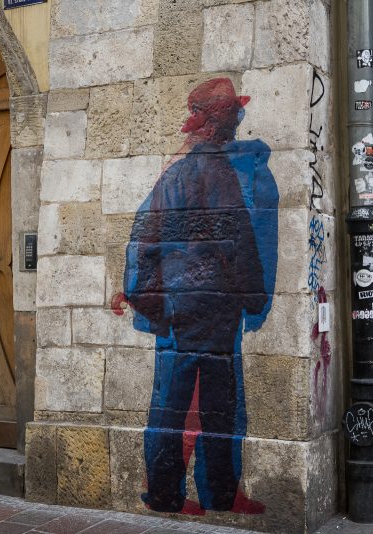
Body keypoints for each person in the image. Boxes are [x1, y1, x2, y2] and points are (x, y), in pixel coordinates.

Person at [123, 78, 278, 514]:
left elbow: (146, 241)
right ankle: (188, 494)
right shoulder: (201, 173)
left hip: (195, 314)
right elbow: (152, 241)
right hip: (197, 315)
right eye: (233, 113)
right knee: (207, 410)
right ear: (217, 120)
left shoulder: (196, 171)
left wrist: (155, 306)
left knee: (192, 408)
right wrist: (250, 297)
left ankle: (193, 494)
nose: (239, 119)